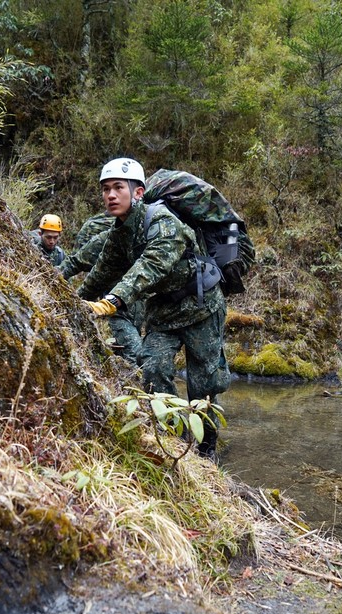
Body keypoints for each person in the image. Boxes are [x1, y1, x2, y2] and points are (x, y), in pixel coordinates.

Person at [78, 158, 230, 459]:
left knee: (203, 384)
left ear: (138, 192)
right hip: (163, 312)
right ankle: (176, 439)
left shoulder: (163, 222)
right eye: (106, 189)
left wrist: (113, 300)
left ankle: (207, 448)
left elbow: (151, 266)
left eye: (118, 187)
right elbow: (101, 272)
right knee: (153, 369)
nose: (111, 195)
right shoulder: (119, 233)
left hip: (201, 308)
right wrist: (72, 301)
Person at [61, 227, 145, 365]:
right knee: (135, 356)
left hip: (139, 311)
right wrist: (50, 279)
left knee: (125, 354)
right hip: (115, 310)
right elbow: (75, 262)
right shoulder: (105, 240)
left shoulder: (146, 240)